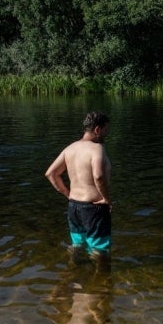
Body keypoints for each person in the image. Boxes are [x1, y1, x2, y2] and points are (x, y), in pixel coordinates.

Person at [45, 111, 113, 260]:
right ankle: (101, 281)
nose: (106, 134)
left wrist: (68, 194)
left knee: (77, 245)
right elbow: (98, 176)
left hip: (74, 207)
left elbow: (51, 174)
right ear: (97, 130)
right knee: (99, 249)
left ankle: (73, 274)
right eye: (106, 130)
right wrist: (106, 199)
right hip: (93, 208)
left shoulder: (70, 148)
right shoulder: (97, 149)